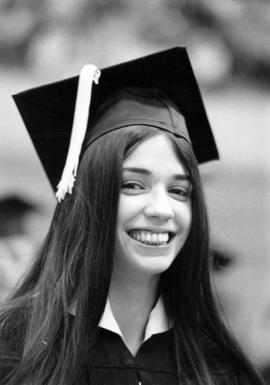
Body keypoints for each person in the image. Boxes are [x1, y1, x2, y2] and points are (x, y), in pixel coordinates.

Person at [0, 47, 264, 385]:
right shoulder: (15, 348)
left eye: (178, 190)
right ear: (88, 196)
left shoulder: (217, 367)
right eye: (134, 185)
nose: (160, 209)